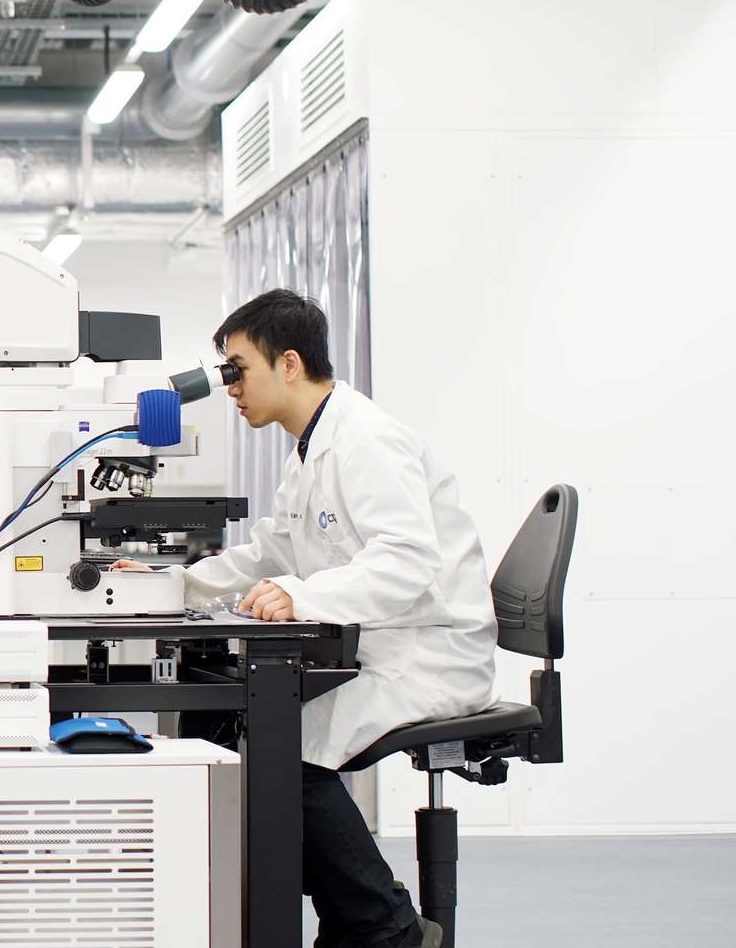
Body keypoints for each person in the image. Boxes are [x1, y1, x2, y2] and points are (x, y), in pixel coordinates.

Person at [115, 290, 495, 948]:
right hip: (377, 649)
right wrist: (171, 585)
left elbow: (408, 562)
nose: (229, 387)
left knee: (283, 751)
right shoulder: (313, 447)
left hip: (425, 657)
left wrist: (303, 597)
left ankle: (388, 930)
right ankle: (353, 923)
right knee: (242, 734)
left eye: (237, 369)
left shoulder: (365, 442)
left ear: (288, 363)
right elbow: (269, 550)